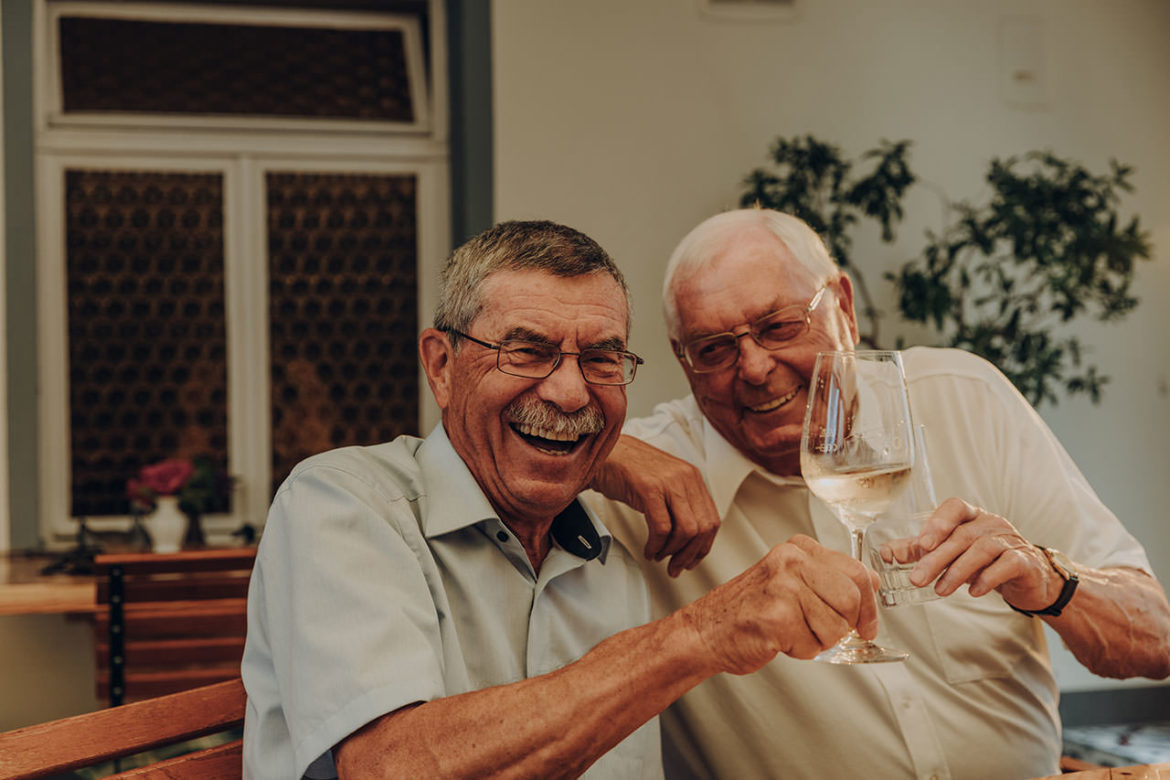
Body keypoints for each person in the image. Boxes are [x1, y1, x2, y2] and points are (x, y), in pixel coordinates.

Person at [240, 219, 882, 779]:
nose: (571, 392)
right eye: (528, 352)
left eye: (602, 360)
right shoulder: (344, 504)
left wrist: (610, 456)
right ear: (441, 366)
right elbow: (389, 767)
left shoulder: (615, 549)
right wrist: (699, 635)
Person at [587, 208, 1170, 780]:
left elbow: (1154, 639)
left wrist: (1049, 578)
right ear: (682, 361)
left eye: (779, 325)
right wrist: (600, 449)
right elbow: (506, 443)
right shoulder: (648, 478)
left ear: (843, 305)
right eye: (714, 348)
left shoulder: (965, 399)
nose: (756, 367)